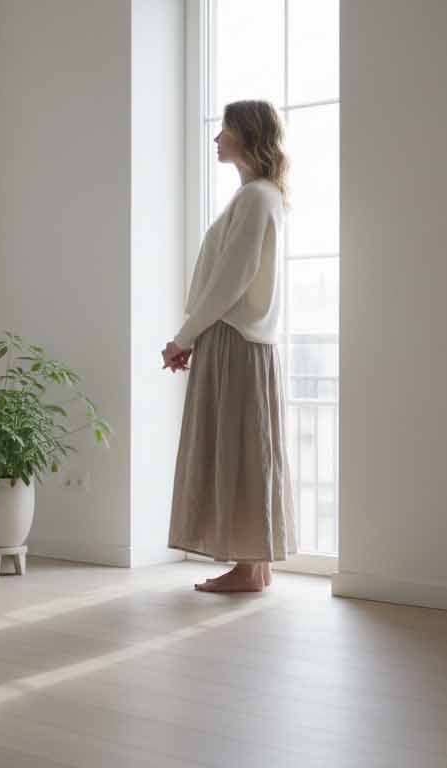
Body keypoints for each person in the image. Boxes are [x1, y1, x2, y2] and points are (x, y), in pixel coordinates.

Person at [162, 99, 297, 592]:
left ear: (247, 135)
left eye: (225, 130)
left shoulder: (255, 197)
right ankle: (254, 564)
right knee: (249, 449)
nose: (216, 138)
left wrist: (184, 337)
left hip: (234, 339)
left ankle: (248, 568)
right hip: (244, 340)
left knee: (237, 451)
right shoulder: (261, 196)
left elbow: (229, 281)